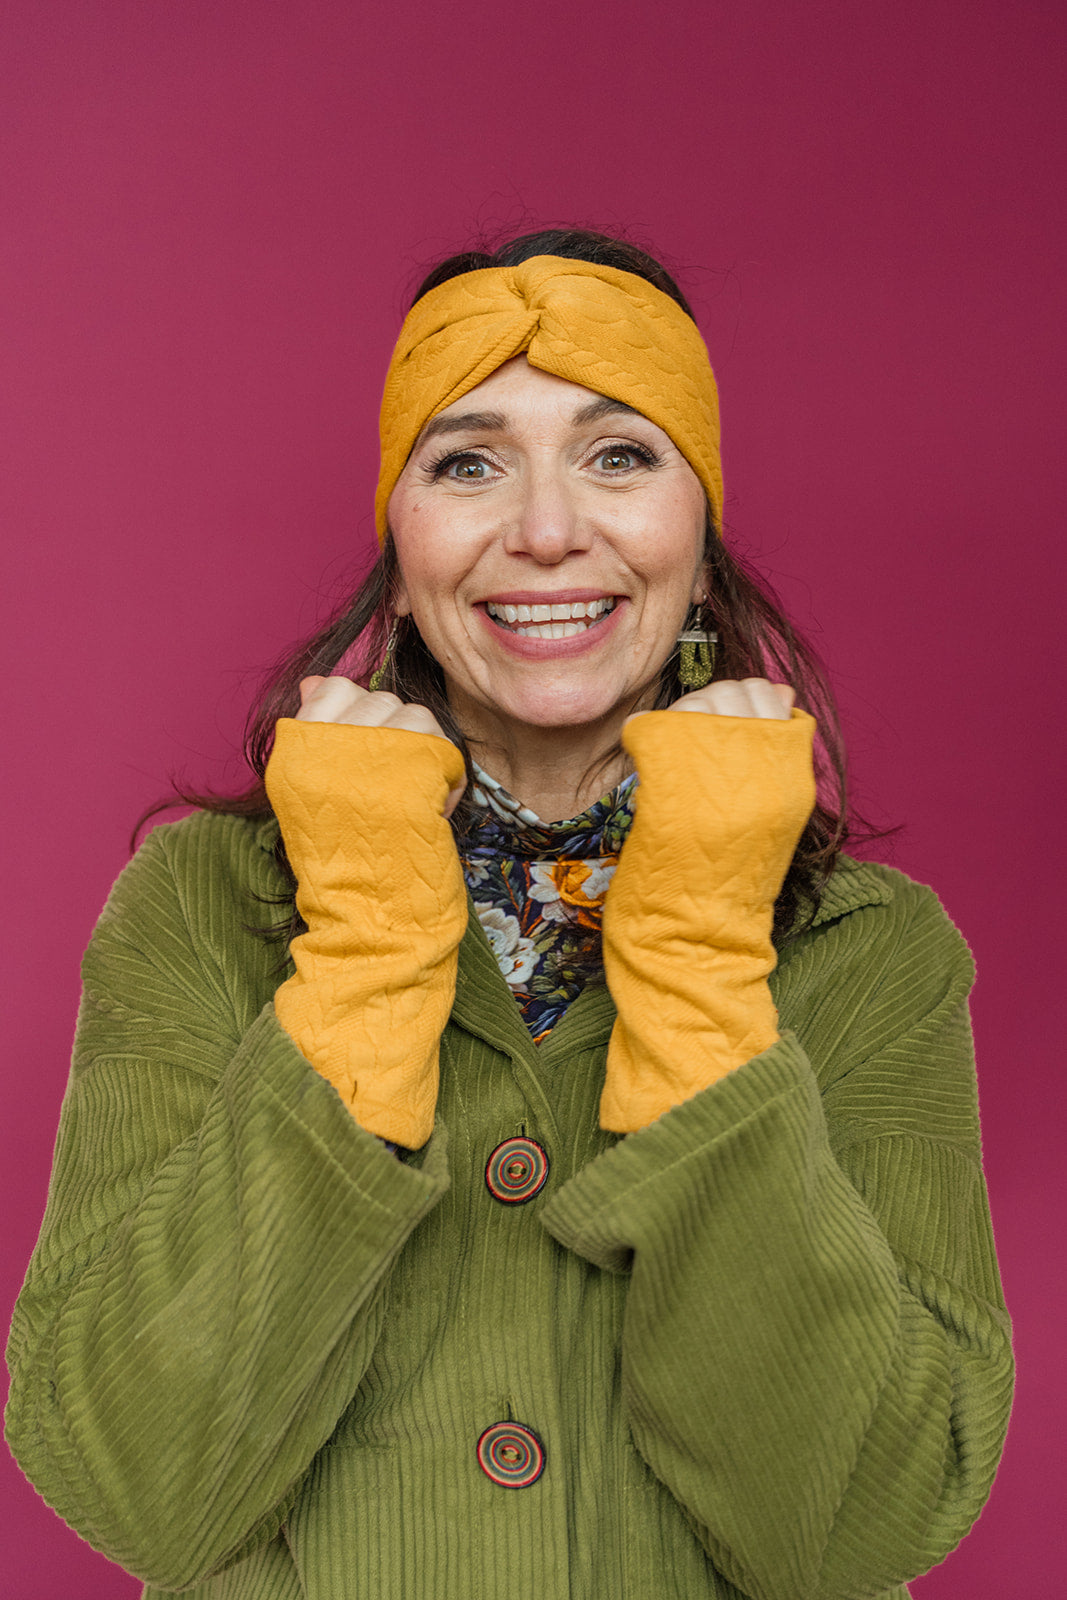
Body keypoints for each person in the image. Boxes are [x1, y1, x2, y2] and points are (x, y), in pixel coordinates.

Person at [5, 229, 1012, 1600]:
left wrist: (704, 956)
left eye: (619, 455)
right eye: (468, 461)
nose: (545, 529)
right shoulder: (198, 908)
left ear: (700, 542)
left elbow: (862, 1526)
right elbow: (137, 1481)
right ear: (402, 541)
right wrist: (365, 948)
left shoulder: (869, 946)